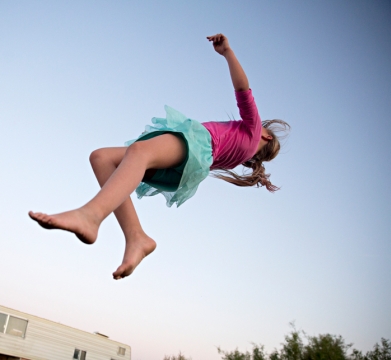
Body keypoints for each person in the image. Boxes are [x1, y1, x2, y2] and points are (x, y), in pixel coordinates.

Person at [29, 34, 290, 280]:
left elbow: (243, 89)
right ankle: (136, 237)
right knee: (102, 158)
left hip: (195, 147)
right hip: (187, 167)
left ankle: (91, 216)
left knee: (139, 151)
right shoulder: (238, 153)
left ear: (265, 137)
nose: (259, 123)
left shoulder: (252, 131)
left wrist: (228, 53)